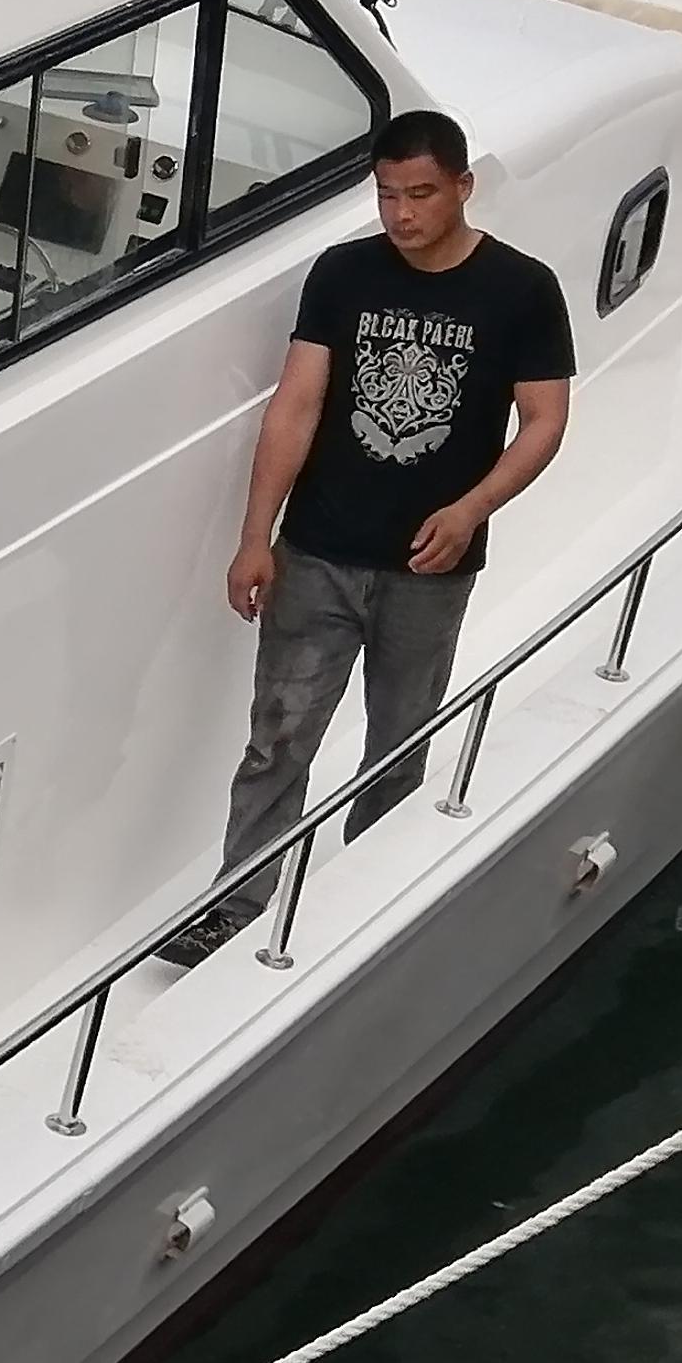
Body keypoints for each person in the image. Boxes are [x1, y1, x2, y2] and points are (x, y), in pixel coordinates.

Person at [164, 110, 577, 962]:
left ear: (464, 186)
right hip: (316, 550)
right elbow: (296, 406)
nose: (402, 214)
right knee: (277, 737)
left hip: (430, 568)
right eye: (388, 195)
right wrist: (255, 536)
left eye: (421, 194)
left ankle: (358, 911)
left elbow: (543, 421)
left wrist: (470, 510)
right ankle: (235, 907)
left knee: (399, 745)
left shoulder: (523, 289)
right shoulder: (344, 273)